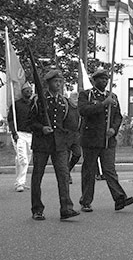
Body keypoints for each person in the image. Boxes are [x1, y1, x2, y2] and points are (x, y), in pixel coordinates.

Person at [78, 68, 133, 212]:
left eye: (106, 79)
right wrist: (103, 104)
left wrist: (114, 129)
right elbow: (83, 110)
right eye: (101, 79)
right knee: (89, 171)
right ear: (94, 80)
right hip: (91, 139)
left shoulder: (113, 96)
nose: (104, 81)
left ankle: (119, 198)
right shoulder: (86, 95)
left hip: (108, 139)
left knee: (110, 170)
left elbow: (118, 116)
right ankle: (86, 201)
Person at [30, 70, 80, 221]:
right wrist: (41, 128)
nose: (58, 84)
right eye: (55, 82)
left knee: (63, 176)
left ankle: (66, 208)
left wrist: (68, 141)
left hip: (59, 144)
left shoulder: (63, 102)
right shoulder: (38, 101)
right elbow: (29, 122)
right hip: (41, 143)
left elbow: (68, 123)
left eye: (60, 82)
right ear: (48, 83)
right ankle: (37, 209)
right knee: (37, 176)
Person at [7, 82, 33, 192]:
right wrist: (14, 133)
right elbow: (11, 119)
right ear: (22, 92)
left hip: (31, 135)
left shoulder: (33, 104)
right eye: (27, 91)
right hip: (19, 134)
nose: (29, 92)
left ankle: (19, 181)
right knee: (24, 160)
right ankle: (20, 183)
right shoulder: (16, 104)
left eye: (31, 91)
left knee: (23, 158)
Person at [66, 92, 81, 184]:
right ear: (69, 99)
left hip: (76, 135)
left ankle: (67, 169)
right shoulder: (66, 108)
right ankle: (67, 176)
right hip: (66, 135)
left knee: (77, 154)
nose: (76, 100)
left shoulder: (79, 109)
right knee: (66, 156)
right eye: (74, 98)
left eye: (77, 99)